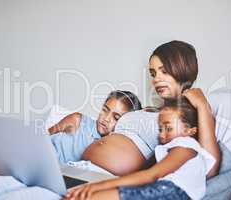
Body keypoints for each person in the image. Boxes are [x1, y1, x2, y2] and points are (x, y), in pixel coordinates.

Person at [69, 40, 221, 199]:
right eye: (153, 73)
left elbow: (210, 168)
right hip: (79, 168)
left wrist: (202, 105)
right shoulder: (148, 110)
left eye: (164, 71)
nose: (156, 79)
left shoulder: (185, 120)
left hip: (110, 180)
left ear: (182, 69)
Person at [65, 97, 216, 200]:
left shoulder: (186, 145)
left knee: (87, 196)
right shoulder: (175, 149)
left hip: (168, 193)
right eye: (160, 129)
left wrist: (99, 185)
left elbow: (152, 175)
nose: (162, 136)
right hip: (163, 191)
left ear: (191, 130)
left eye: (168, 128)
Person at [48, 90, 142, 164]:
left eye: (116, 118)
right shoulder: (77, 120)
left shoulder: (113, 149)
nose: (106, 118)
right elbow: (44, 137)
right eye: (105, 110)